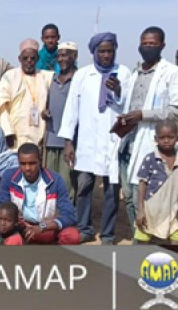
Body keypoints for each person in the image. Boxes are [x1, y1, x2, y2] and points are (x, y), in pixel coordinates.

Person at [58, 32, 131, 244]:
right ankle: (85, 228)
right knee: (83, 188)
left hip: (112, 143)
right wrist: (68, 142)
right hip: (87, 144)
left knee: (111, 191)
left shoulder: (123, 73)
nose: (106, 55)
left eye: (110, 51)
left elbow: (126, 107)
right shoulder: (82, 75)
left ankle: (108, 234)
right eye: (102, 51)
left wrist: (117, 91)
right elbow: (72, 109)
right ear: (94, 53)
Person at [117, 26, 178, 237]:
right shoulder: (136, 72)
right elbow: (127, 103)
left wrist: (143, 115)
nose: (147, 47)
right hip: (128, 144)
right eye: (144, 43)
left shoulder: (170, 73)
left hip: (151, 145)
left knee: (142, 196)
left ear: (162, 46)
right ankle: (140, 237)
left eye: (152, 44)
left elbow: (175, 110)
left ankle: (150, 241)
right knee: (128, 197)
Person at [0, 143, 80, 244]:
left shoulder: (55, 180)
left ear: (40, 161)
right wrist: (21, 225)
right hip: (21, 227)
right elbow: (2, 206)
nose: (27, 168)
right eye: (23, 164)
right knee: (11, 240)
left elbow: (70, 215)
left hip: (47, 227)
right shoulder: (9, 177)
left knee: (72, 236)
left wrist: (42, 227)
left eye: (32, 163)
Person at [0, 38, 54, 150]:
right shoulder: (9, 76)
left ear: (37, 59)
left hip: (39, 131)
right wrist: (8, 131)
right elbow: (2, 106)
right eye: (25, 58)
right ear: (19, 59)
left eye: (32, 58)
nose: (29, 61)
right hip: (16, 134)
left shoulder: (46, 77)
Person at [42, 41, 79, 199]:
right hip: (51, 140)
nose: (61, 59)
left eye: (65, 55)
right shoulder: (51, 79)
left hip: (69, 143)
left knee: (67, 185)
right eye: (59, 55)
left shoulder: (79, 79)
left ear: (74, 56)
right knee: (49, 183)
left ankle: (67, 218)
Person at [134, 120, 178, 244]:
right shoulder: (150, 159)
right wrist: (141, 210)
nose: (166, 140)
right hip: (151, 209)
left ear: (177, 137)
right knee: (143, 240)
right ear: (155, 139)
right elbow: (142, 184)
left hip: (174, 209)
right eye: (162, 137)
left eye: (170, 137)